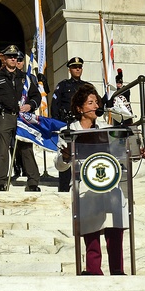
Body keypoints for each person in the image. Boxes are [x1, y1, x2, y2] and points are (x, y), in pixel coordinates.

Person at [55, 84, 127, 275]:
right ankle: (94, 270)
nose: (95, 106)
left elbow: (122, 151)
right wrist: (65, 156)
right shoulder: (69, 130)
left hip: (109, 183)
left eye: (97, 102)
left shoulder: (107, 128)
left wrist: (136, 152)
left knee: (114, 228)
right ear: (80, 108)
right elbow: (60, 165)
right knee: (91, 229)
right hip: (85, 185)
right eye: (90, 102)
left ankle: (118, 270)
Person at [0, 44, 37, 191]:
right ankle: (0, 181)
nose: (13, 59)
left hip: (23, 118)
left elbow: (36, 96)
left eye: (15, 57)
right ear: (4, 59)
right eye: (10, 57)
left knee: (26, 149)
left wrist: (30, 105)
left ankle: (33, 181)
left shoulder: (26, 78)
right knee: (2, 150)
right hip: (5, 116)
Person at [50, 56, 86, 192]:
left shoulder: (86, 86)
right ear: (69, 69)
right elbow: (55, 105)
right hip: (67, 125)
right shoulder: (63, 85)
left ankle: (82, 187)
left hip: (82, 125)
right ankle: (64, 189)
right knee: (65, 155)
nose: (78, 69)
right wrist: (58, 124)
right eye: (74, 67)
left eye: (80, 67)